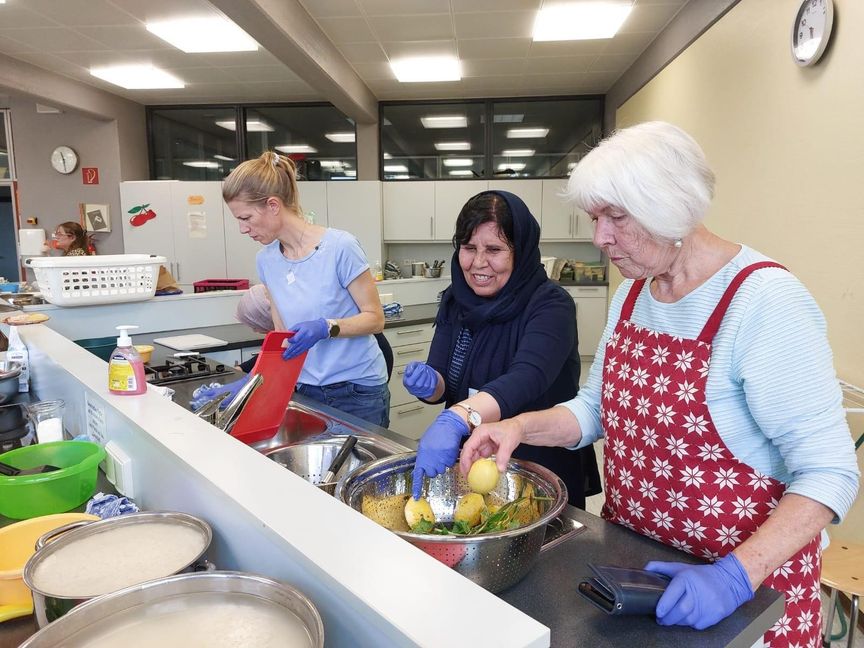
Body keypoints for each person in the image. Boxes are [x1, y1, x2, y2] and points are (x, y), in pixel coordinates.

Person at [459, 122, 859, 644]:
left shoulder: (763, 301)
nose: (600, 237)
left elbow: (830, 471)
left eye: (615, 217)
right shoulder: (633, 296)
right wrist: (517, 427)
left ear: (672, 205)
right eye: (595, 217)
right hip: (634, 574)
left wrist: (737, 575)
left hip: (745, 597)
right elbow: (593, 409)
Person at [405, 190, 601, 508]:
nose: (478, 263)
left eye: (494, 249)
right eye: (469, 248)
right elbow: (443, 384)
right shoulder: (456, 300)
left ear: (520, 251)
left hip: (536, 466)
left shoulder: (550, 304)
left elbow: (527, 377)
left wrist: (457, 417)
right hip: (473, 459)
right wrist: (430, 384)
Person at [221, 152, 390, 428]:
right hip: (303, 388)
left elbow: (375, 318)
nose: (242, 229)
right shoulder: (267, 260)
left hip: (357, 392)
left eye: (246, 217)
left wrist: (327, 327)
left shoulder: (339, 248)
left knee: (356, 470)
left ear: (273, 205)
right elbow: (281, 337)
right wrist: (251, 382)